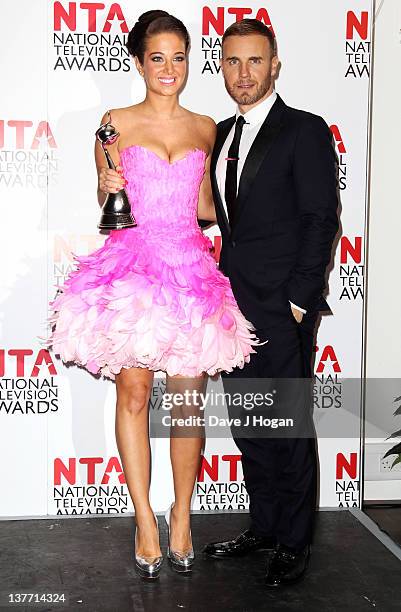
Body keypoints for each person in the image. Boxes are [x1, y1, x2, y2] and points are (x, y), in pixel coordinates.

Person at [46, 10, 261, 580]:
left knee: (188, 403)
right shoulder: (113, 123)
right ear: (139, 62)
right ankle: (145, 518)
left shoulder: (207, 128)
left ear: (191, 62)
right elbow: (108, 198)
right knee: (136, 396)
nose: (169, 68)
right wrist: (105, 184)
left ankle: (183, 516)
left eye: (180, 57)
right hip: (134, 267)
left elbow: (208, 209)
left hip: (189, 267)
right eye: (158, 57)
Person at [203, 19, 339, 587]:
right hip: (233, 306)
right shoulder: (221, 134)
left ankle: (293, 539)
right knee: (250, 425)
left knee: (285, 426)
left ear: (275, 64)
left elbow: (320, 218)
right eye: (232, 62)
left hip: (283, 310)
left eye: (254, 61)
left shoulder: (303, 130)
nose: (243, 73)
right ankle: (263, 526)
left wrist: (300, 302)